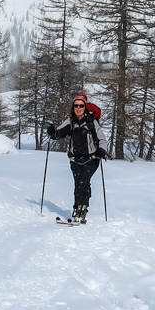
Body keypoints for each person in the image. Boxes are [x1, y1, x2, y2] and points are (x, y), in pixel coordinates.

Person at [47, 93, 105, 223]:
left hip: (92, 158)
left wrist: (101, 150)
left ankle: (82, 209)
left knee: (84, 182)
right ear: (73, 107)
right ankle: (76, 208)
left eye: (81, 105)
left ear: (85, 107)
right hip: (75, 159)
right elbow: (59, 133)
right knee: (77, 184)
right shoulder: (71, 122)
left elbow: (101, 138)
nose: (78, 108)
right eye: (76, 106)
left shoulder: (92, 122)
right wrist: (52, 133)